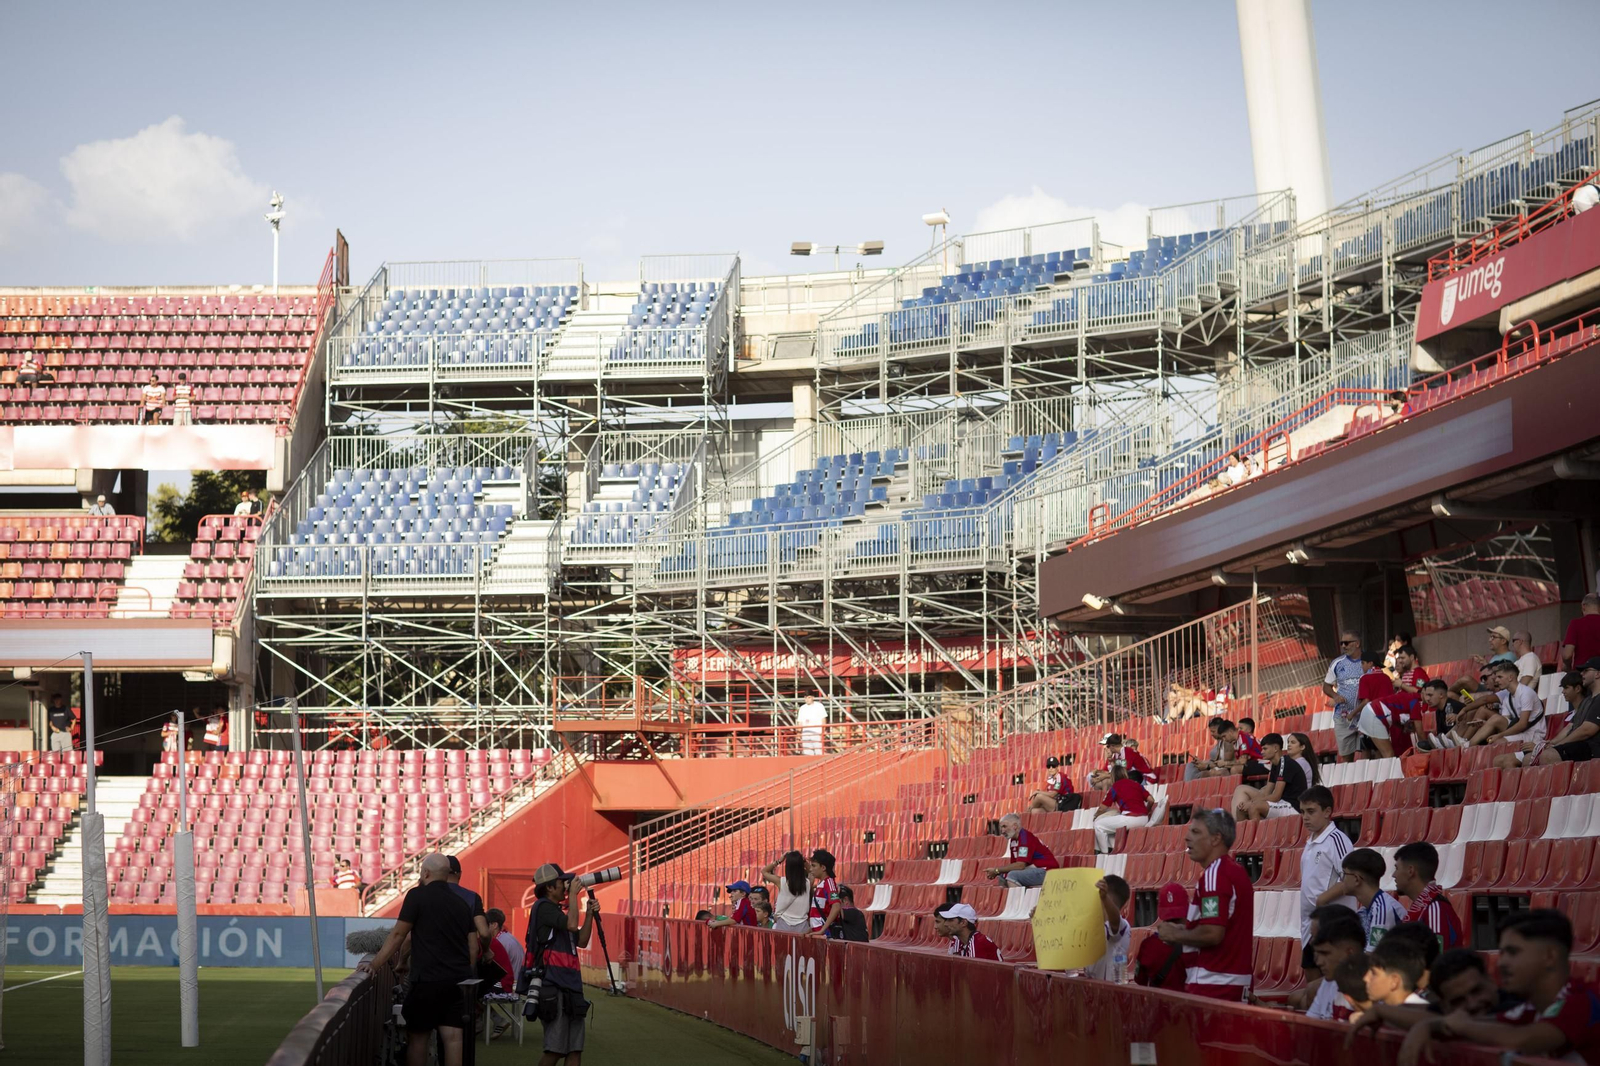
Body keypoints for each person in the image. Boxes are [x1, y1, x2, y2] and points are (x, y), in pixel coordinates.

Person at [1375, 911, 1600, 1063]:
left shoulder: (1582, 1000)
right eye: (1501, 953)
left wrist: (1444, 1025)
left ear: (1550, 956)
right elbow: (1484, 1023)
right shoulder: (1532, 1009)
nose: (1502, 963)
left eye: (1512, 952)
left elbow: (1521, 1038)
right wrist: (1430, 1025)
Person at [360, 854, 476, 1066]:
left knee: (418, 1039)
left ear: (426, 873)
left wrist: (374, 964)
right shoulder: (461, 904)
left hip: (427, 981)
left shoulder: (416, 896)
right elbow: (473, 945)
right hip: (458, 981)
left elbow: (398, 935)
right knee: (453, 1040)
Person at [1153, 808, 1254, 1001]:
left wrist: (1176, 933)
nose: (1187, 838)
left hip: (1214, 983)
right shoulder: (1235, 872)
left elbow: (1213, 933)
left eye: (1196, 832)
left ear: (1216, 839)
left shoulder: (1215, 874)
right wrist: (1185, 929)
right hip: (1230, 982)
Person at [524, 864, 598, 1066]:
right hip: (553, 984)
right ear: (549, 887)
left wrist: (589, 914)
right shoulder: (543, 907)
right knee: (555, 1050)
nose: (566, 886)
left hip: (571, 984)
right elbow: (572, 925)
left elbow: (581, 940)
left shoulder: (558, 911)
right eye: (562, 882)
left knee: (575, 1049)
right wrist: (574, 895)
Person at [1301, 786, 1356, 979]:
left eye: (1311, 811)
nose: (1305, 817)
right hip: (1310, 925)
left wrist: (1322, 900)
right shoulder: (1310, 840)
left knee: (1326, 987)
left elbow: (1351, 877)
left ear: (1327, 812)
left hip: (1332, 926)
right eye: (1302, 812)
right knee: (1311, 987)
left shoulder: (1337, 840)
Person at [1393, 841, 1465, 951]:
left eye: (1397, 868)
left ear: (1410, 871)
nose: (1394, 875)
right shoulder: (1426, 906)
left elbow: (1436, 962)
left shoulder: (1434, 909)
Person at [1334, 848, 1407, 950]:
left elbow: (1373, 958)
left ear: (1356, 879)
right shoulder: (1365, 910)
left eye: (1344, 874)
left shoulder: (1382, 909)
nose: (1341, 880)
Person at [1467, 660, 1545, 750]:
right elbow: (1505, 722)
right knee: (1495, 724)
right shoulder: (1507, 696)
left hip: (1533, 734)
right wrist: (1485, 724)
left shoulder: (1526, 693)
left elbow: (1523, 724)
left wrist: (1499, 735)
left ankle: (1466, 747)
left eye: (1500, 677)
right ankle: (1466, 746)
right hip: (1521, 732)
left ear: (1510, 677)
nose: (1496, 680)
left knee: (1496, 742)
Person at [1231, 732, 1308, 821]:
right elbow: (1266, 793)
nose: (1262, 752)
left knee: (1254, 807)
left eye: (1265, 749)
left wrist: (1252, 802)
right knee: (1241, 809)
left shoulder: (1285, 763)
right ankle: (1244, 834)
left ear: (1275, 748)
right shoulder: (1275, 765)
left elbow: (1276, 796)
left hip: (1293, 806)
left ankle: (1257, 834)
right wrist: (1247, 803)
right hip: (1281, 803)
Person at [1534, 663, 1600, 766]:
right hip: (1580, 745)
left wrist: (1559, 744)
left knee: (1548, 756)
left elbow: (1587, 730)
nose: (1582, 674)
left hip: (1593, 748)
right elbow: (1570, 727)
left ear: (1597, 674)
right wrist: (1552, 743)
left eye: (1586, 671)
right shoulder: (1586, 701)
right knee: (1530, 758)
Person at [1306, 917, 1368, 1021]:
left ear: (1349, 953)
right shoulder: (1329, 982)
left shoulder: (1373, 988)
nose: (1319, 962)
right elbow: (1310, 1025)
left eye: (1325, 953)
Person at [1134, 882, 1190, 991]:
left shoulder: (1148, 945)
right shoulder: (1199, 943)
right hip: (1190, 1005)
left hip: (1159, 1006)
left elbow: (1140, 980)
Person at [987, 813, 1060, 888]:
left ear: (1015, 826)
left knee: (1012, 875)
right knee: (1003, 875)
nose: (1002, 831)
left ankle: (1017, 899)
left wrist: (996, 870)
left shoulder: (1025, 838)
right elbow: (1014, 865)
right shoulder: (1013, 840)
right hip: (1034, 870)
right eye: (1001, 828)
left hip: (1047, 871)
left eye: (1004, 826)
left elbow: (1020, 865)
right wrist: (998, 872)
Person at [1324, 632, 1365, 762]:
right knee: (1347, 757)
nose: (1343, 646)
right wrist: (1335, 696)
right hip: (1343, 716)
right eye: (1342, 643)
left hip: (1365, 715)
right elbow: (1326, 687)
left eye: (1346, 643)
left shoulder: (1369, 660)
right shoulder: (1337, 663)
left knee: (1369, 753)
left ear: (1357, 643)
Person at [1092, 764, 1152, 853]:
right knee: (1111, 826)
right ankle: (1113, 849)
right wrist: (1146, 811)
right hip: (1144, 819)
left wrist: (1096, 816)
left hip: (1131, 818)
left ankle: (1104, 854)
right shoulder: (1136, 784)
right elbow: (1151, 800)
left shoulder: (1115, 787)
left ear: (1112, 777)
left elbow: (1102, 808)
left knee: (1099, 825)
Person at [1084, 876, 1132, 981]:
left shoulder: (1123, 926)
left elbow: (1115, 922)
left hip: (1112, 992)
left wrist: (1104, 898)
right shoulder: (1094, 925)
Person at [1363, 938, 1431, 1008]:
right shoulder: (1383, 1012)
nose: (1366, 978)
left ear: (1394, 981)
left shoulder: (1422, 1015)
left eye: (1374, 973)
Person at [445, 855, 493, 948]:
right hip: (462, 957)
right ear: (459, 874)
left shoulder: (427, 895)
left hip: (432, 957)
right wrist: (486, 950)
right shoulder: (472, 897)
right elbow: (484, 933)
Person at [763, 851, 811, 933]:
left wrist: (779, 861)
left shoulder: (781, 881)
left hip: (783, 922)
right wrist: (803, 861)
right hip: (802, 924)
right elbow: (812, 871)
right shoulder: (808, 883)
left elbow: (764, 871)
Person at [483, 908, 521, 994]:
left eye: (485, 924)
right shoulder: (507, 937)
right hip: (516, 982)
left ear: (494, 925)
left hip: (511, 986)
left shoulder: (501, 942)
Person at [806, 849, 842, 938]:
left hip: (825, 936)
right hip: (818, 934)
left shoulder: (829, 882)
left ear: (823, 868)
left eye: (814, 866)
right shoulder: (821, 884)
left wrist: (822, 930)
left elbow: (836, 906)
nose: (811, 869)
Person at [1562, 593, 1600, 670]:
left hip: (1582, 673)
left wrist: (1568, 667)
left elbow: (1567, 655)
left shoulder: (1575, 624)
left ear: (1583, 606)